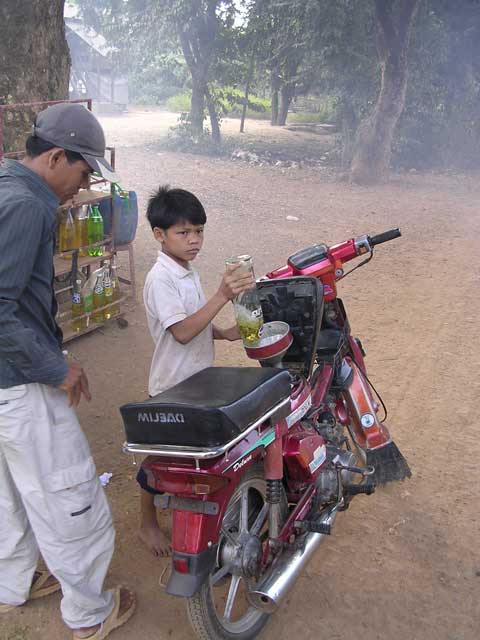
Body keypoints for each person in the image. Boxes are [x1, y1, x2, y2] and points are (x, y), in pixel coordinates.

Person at [0, 103, 135, 640]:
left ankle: (14, 582)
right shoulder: (27, 206)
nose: (81, 188)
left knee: (9, 492)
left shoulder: (8, 188)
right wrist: (54, 366)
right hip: (20, 381)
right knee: (67, 494)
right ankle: (89, 612)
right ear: (56, 156)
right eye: (82, 173)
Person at [138, 185, 253, 556]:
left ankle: (197, 512)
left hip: (196, 382)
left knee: (193, 458)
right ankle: (147, 524)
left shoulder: (187, 272)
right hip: (172, 387)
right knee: (159, 463)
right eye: (183, 232)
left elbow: (195, 321)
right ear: (159, 235)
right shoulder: (161, 279)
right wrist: (221, 296)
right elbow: (183, 332)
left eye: (199, 231)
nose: (194, 240)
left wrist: (226, 334)